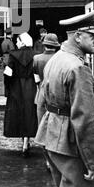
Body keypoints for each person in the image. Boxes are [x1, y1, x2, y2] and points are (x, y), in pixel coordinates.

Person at [35, 8, 94, 187]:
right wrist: (93, 161)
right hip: (71, 143)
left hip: (52, 137)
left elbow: (41, 101)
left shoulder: (56, 59)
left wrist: (42, 134)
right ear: (77, 36)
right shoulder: (78, 67)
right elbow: (84, 119)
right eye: (92, 36)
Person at [3, 32, 38, 156]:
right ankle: (27, 140)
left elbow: (8, 73)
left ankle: (23, 142)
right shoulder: (35, 55)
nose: (16, 43)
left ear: (22, 42)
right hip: (31, 86)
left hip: (16, 87)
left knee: (19, 113)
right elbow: (37, 73)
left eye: (18, 41)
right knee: (30, 113)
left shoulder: (13, 55)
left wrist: (8, 86)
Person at [33, 33, 60, 170]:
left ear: (44, 44)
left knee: (42, 126)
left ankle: (47, 160)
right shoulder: (59, 58)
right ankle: (56, 159)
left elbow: (36, 77)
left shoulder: (37, 58)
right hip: (56, 93)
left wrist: (39, 88)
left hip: (41, 94)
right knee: (56, 126)